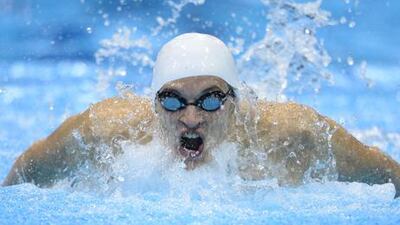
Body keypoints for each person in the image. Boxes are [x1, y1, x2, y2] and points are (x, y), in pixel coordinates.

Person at [2, 33, 400, 198]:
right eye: (173, 101)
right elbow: (18, 183)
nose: (191, 117)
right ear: (154, 103)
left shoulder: (294, 134)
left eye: (210, 100)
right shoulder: (104, 129)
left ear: (235, 102)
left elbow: (389, 178)